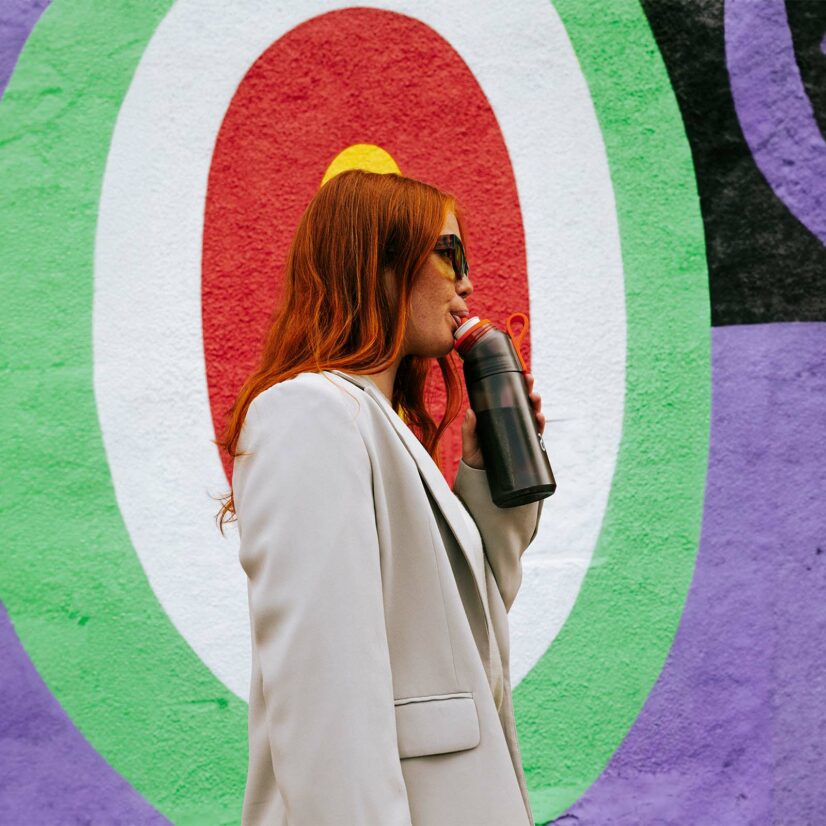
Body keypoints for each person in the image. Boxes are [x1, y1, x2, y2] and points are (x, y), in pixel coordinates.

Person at [215, 170, 546, 825]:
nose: (468, 282)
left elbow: (461, 645)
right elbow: (325, 699)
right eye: (450, 254)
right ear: (382, 264)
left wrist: (485, 481)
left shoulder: (380, 428)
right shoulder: (310, 414)